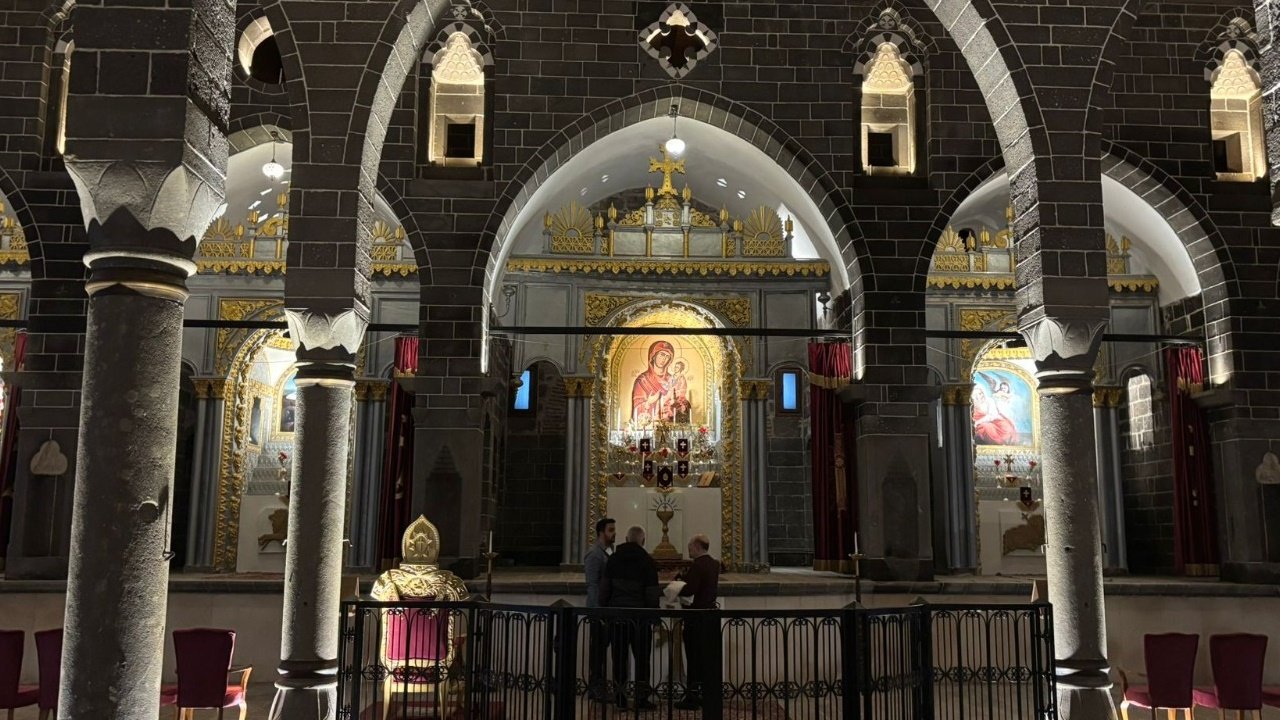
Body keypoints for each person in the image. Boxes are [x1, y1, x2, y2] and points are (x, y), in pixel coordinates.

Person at [601, 526, 660, 711]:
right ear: (642, 540)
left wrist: (603, 611)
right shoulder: (647, 561)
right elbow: (651, 593)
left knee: (619, 658)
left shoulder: (613, 559)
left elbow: (605, 588)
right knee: (643, 659)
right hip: (640, 618)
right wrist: (654, 618)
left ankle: (620, 698)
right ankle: (641, 699)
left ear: (626, 539)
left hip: (617, 617)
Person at [675, 534, 721, 710]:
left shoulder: (698, 565)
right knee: (705, 658)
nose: (688, 549)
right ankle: (706, 694)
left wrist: (677, 583)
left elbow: (690, 590)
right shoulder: (714, 564)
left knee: (694, 658)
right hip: (709, 616)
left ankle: (692, 697)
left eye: (690, 546)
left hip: (695, 619)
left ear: (698, 547)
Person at [583, 517, 616, 702]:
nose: (614, 533)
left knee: (601, 650)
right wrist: (597, 611)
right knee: (597, 652)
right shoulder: (595, 554)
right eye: (611, 530)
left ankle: (600, 686)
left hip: (605, 609)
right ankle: (596, 687)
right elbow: (592, 585)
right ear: (601, 532)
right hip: (598, 611)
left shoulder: (607, 552)